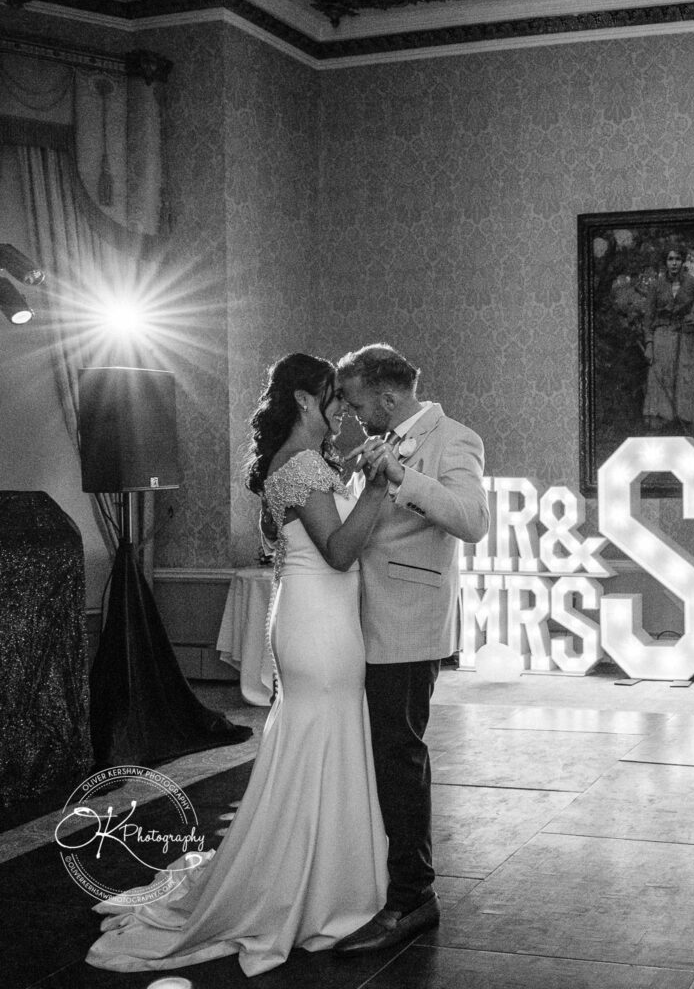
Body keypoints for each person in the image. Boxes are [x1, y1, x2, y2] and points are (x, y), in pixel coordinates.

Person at [87, 354, 391, 975]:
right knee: (319, 737)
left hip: (315, 619)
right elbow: (337, 551)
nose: (341, 409)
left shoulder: (301, 464)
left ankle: (317, 875)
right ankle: (315, 887)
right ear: (305, 401)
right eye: (333, 396)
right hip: (319, 626)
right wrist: (382, 487)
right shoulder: (303, 465)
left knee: (319, 739)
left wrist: (358, 483)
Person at [332, 344, 489, 956]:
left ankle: (413, 897)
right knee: (366, 754)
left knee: (399, 756)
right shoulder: (364, 447)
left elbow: (472, 519)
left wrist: (401, 475)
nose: (348, 410)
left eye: (354, 398)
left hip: (406, 623)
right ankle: (364, 877)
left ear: (388, 396)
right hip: (349, 621)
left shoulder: (455, 439)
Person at [641, 247, 694, 431]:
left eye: (678, 259)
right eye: (670, 259)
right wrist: (649, 344)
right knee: (659, 375)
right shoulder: (656, 285)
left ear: (683, 261)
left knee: (685, 375)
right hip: (662, 337)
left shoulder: (693, 283)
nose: (674, 263)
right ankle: (660, 420)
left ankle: (684, 420)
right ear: (665, 262)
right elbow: (648, 317)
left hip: (684, 335)